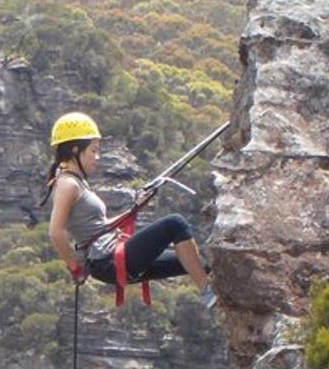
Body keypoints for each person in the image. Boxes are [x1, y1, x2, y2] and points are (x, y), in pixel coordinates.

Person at [42, 112, 216, 308]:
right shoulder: (68, 185)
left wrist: (135, 208)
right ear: (75, 150)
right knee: (175, 224)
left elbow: (100, 227)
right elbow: (55, 232)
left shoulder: (76, 182)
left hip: (111, 260)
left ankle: (215, 292)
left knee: (198, 264)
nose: (97, 157)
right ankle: (207, 292)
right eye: (93, 151)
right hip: (109, 261)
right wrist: (76, 269)